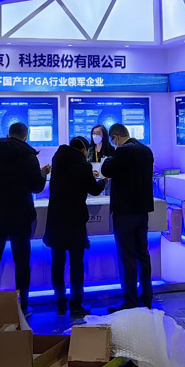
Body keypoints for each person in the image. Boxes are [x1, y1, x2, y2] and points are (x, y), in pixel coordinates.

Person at [0, 122, 50, 315]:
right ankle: (23, 305)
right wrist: (43, 173)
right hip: (20, 215)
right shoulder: (28, 156)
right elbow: (37, 186)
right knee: (22, 262)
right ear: (25, 137)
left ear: (9, 134)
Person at [44, 136, 105, 318]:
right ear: (84, 150)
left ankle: (60, 303)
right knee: (76, 265)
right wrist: (103, 181)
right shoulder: (83, 165)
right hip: (75, 221)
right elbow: (94, 190)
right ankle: (76, 305)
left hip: (56, 220)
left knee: (57, 264)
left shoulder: (58, 159)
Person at [102, 123, 155, 311]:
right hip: (142, 211)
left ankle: (130, 301)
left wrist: (109, 157)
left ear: (115, 137)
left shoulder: (122, 152)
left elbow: (106, 170)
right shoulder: (146, 150)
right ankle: (147, 298)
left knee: (127, 257)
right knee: (143, 255)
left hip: (125, 212)